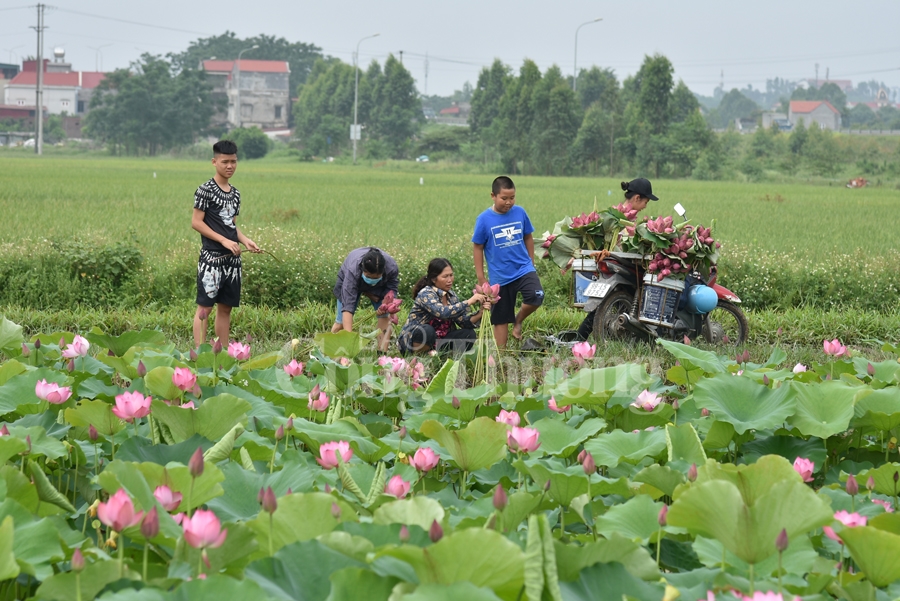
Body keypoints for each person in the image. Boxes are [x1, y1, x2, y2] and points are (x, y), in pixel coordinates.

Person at [191, 139, 261, 348]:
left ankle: (221, 354)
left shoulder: (235, 193)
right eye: (225, 162)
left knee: (226, 308)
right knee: (205, 309)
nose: (230, 166)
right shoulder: (205, 190)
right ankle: (201, 352)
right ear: (214, 162)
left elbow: (230, 225)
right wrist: (223, 240)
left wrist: (245, 240)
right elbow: (196, 222)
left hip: (232, 260)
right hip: (212, 258)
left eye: (233, 161)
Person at [576, 177, 658, 341]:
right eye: (645, 202)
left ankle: (579, 338)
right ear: (636, 198)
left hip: (613, 265)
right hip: (623, 265)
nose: (645, 207)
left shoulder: (614, 215)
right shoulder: (624, 222)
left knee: (599, 308)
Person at [472, 176, 543, 348]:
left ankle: (518, 321)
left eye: (512, 197)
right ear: (493, 196)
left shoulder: (520, 212)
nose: (509, 202)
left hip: (523, 268)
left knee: (536, 296)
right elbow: (478, 248)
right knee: (501, 319)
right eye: (504, 198)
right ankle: (500, 357)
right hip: (500, 276)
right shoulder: (484, 219)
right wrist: (481, 278)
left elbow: (528, 237)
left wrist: (531, 261)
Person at [398, 258, 490, 355]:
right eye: (445, 276)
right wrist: (469, 302)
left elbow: (463, 322)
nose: (450, 280)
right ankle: (420, 359)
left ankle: (443, 357)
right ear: (434, 279)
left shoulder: (451, 296)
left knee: (468, 334)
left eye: (451, 275)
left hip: (439, 340)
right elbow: (442, 312)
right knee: (427, 331)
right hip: (415, 340)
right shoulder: (426, 293)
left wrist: (480, 312)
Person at [332, 247, 399, 352]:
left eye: (376, 277)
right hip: (350, 280)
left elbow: (391, 290)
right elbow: (347, 307)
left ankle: (382, 355)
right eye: (368, 276)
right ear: (363, 270)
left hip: (380, 286)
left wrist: (386, 305)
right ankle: (330, 351)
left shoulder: (391, 267)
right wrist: (349, 339)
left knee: (384, 316)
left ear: (383, 271)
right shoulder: (353, 271)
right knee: (341, 323)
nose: (372, 280)